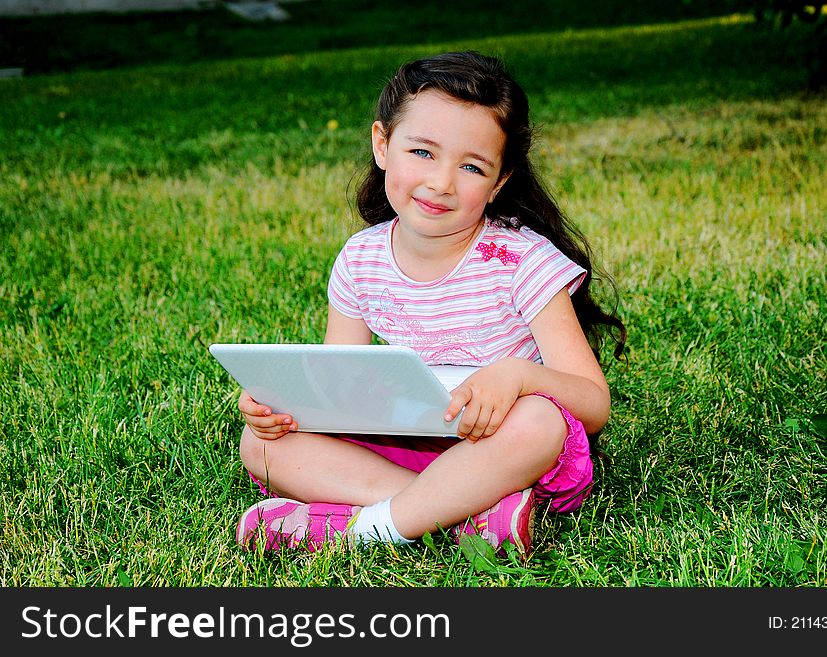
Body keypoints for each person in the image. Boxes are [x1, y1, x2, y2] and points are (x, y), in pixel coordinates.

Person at [235, 51, 626, 557]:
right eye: (422, 152)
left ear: (499, 181)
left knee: (541, 420)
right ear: (382, 144)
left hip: (505, 452)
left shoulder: (522, 260)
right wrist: (281, 408)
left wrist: (519, 377)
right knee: (259, 445)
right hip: (403, 447)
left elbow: (593, 405)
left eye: (471, 166)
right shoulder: (361, 259)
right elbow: (336, 384)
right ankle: (466, 517)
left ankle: (365, 528)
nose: (442, 182)